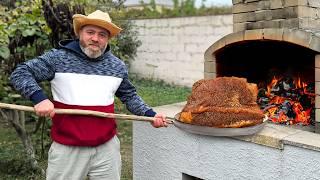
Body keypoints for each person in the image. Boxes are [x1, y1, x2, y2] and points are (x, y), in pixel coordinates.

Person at [10, 10, 168, 180]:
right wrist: (39, 99)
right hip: (67, 149)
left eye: (102, 34)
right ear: (79, 33)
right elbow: (20, 73)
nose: (95, 38)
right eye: (90, 32)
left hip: (107, 149)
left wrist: (150, 115)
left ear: (108, 39)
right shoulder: (58, 59)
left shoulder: (117, 66)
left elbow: (129, 96)